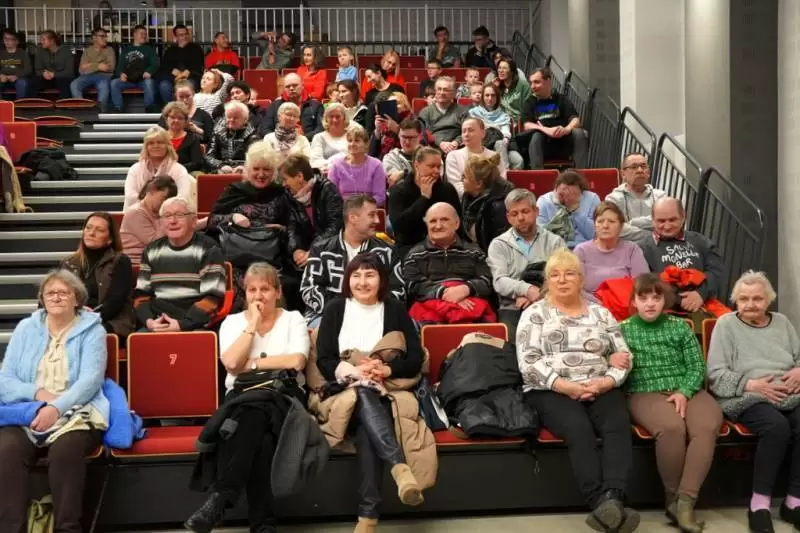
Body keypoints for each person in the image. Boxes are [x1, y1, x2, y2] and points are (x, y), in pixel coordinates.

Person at [517, 249, 639, 533]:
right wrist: (565, 386)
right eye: (555, 275)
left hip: (599, 385)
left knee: (617, 424)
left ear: (581, 279)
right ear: (547, 281)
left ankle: (613, 496)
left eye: (569, 273)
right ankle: (599, 501)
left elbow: (624, 356)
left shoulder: (600, 312)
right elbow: (528, 362)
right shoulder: (534, 314)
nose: (562, 280)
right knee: (578, 426)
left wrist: (606, 381)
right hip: (550, 389)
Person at [184, 262, 310, 533]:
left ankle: (222, 497)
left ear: (278, 292)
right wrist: (252, 324)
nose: (258, 296)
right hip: (242, 397)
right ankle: (263, 525)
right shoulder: (233, 323)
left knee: (254, 411)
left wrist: (251, 364)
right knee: (261, 439)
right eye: (252, 290)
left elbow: (297, 361)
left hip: (283, 395)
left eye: (265, 289)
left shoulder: (293, 319)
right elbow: (231, 363)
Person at [314, 253, 428, 531]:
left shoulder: (394, 308)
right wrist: (356, 372)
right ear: (347, 280)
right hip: (343, 392)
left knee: (368, 430)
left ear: (382, 280)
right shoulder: (335, 308)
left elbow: (415, 358)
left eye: (370, 275)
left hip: (385, 391)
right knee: (363, 393)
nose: (362, 282)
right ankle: (399, 468)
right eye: (356, 275)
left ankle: (367, 519)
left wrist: (387, 369)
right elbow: (324, 360)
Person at [0, 269, 109, 533]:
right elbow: (5, 379)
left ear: (77, 299)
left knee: (65, 452)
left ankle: (67, 528)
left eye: (63, 292)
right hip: (28, 410)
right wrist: (38, 395)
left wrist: (56, 408)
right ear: (42, 299)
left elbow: (90, 381)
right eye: (50, 293)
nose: (56, 297)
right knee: (6, 449)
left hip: (77, 410)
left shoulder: (93, 330)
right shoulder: (26, 328)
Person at [621, 273, 722, 533]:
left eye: (656, 298)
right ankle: (672, 498)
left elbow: (697, 365)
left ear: (664, 301)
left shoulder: (679, 327)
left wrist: (684, 392)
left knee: (707, 426)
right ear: (634, 301)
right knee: (672, 427)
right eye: (643, 298)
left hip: (686, 388)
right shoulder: (622, 330)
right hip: (645, 392)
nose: (650, 304)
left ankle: (685, 502)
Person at [706, 271, 800, 532]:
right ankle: (759, 504)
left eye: (757, 298)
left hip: (790, 391)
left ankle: (794, 502)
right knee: (776, 428)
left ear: (768, 300)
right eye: (743, 299)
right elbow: (715, 374)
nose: (750, 304)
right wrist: (752, 385)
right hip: (747, 395)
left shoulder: (782, 322)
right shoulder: (726, 324)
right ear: (735, 300)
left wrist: (799, 371)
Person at [209, 141, 307, 308]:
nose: (261, 174)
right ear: (248, 170)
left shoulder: (281, 193)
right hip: (237, 260)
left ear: (273, 171)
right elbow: (212, 221)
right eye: (256, 169)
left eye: (266, 169)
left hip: (273, 259)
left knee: (286, 284)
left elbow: (294, 226)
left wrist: (282, 230)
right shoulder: (234, 191)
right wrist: (233, 217)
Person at [301, 194, 403, 328]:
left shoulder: (387, 251)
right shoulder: (320, 250)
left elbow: (398, 290)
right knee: (325, 329)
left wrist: (368, 310)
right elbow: (309, 288)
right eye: (371, 215)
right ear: (353, 218)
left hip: (375, 316)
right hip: (327, 316)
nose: (377, 220)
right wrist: (344, 310)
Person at [135, 196, 226, 332]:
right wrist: (149, 321)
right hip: (158, 322)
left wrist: (183, 324)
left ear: (193, 221)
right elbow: (141, 295)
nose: (173, 221)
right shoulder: (151, 250)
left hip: (195, 324)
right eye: (167, 216)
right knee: (138, 341)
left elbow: (213, 298)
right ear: (161, 222)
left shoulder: (208, 248)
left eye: (179, 215)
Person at [487, 188, 565, 340]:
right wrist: (527, 289)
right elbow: (499, 281)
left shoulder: (554, 242)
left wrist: (537, 295)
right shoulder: (499, 244)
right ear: (508, 217)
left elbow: (562, 275)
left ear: (536, 211)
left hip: (550, 302)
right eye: (514, 214)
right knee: (512, 342)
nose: (520, 218)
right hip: (512, 307)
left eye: (525, 211)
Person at [403, 202, 493, 319]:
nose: (438, 226)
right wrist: (445, 294)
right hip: (429, 314)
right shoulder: (415, 254)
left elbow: (487, 281)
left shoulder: (475, 252)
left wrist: (466, 289)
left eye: (444, 220)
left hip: (470, 308)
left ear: (457, 224)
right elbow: (413, 286)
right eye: (432, 221)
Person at [640, 197, 725, 314]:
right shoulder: (642, 248)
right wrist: (680, 300)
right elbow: (644, 283)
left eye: (672, 220)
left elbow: (716, 271)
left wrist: (701, 294)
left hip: (705, 305)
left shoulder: (701, 242)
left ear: (683, 216)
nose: (667, 226)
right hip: (662, 310)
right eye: (661, 221)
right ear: (653, 220)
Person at [61, 212, 135, 338]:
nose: (91, 233)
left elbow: (115, 302)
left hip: (110, 320)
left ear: (110, 239)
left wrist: (89, 319)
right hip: (74, 318)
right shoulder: (69, 263)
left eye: (99, 230)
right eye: (88, 228)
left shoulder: (121, 261)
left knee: (87, 333)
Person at [388, 147, 461, 259]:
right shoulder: (399, 191)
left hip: (445, 246)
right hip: (410, 247)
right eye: (431, 166)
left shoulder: (447, 189)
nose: (436, 171)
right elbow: (400, 227)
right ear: (416, 165)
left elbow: (457, 222)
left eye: (439, 167)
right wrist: (424, 198)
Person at [520, 67, 588, 169]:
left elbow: (575, 120)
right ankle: (538, 175)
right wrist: (546, 130)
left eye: (537, 82)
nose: (533, 86)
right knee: (536, 136)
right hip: (543, 146)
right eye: (531, 83)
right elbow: (527, 125)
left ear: (548, 81)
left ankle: (580, 174)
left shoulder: (561, 99)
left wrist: (566, 129)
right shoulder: (529, 102)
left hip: (563, 143)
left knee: (579, 133)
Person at [574, 202, 649, 294]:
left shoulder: (632, 250)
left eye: (611, 221)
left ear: (621, 226)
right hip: (589, 301)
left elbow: (643, 285)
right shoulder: (581, 251)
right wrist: (596, 301)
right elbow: (575, 288)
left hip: (624, 300)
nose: (605, 226)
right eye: (600, 221)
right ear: (594, 226)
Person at [123, 126, 195, 211]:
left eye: (160, 142)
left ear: (168, 146)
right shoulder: (135, 169)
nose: (156, 146)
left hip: (170, 214)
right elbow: (130, 197)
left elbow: (183, 197)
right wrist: (151, 206)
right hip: (139, 213)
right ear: (146, 147)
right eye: (151, 143)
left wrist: (159, 208)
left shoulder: (179, 170)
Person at [280, 153, 344, 247]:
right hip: (306, 250)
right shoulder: (289, 196)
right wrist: (296, 249)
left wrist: (313, 250)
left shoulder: (327, 189)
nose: (283, 184)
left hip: (328, 248)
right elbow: (293, 228)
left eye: (285, 179)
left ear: (299, 176)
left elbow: (335, 226)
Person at [605, 153, 667, 242]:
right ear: (623, 174)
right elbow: (616, 228)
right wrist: (652, 235)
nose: (640, 170)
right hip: (626, 247)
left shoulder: (660, 196)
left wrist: (632, 223)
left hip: (657, 247)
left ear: (648, 172)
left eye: (643, 166)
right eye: (634, 167)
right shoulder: (613, 199)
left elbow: (666, 222)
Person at [460, 152, 514, 252]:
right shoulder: (467, 196)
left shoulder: (499, 206)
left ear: (478, 184)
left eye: (465, 177)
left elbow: (498, 246)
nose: (462, 180)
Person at [445, 117, 507, 198]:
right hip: (465, 200)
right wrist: (476, 197)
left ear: (483, 133)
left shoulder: (494, 156)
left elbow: (501, 182)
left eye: (471, 130)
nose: (466, 134)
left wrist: (487, 197)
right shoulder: (453, 156)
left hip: (492, 200)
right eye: (463, 131)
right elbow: (456, 185)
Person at [120, 175, 177, 263]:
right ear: (152, 191)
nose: (165, 203)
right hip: (136, 262)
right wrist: (167, 217)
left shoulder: (157, 212)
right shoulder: (136, 212)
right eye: (164, 198)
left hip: (155, 259)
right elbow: (155, 243)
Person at [536, 170, 599, 249]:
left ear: (581, 191)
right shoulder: (544, 201)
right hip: (554, 248)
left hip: (584, 247)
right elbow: (539, 236)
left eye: (572, 194)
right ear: (555, 188)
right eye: (562, 194)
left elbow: (594, 234)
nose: (567, 198)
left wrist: (576, 212)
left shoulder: (592, 199)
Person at [470, 83, 523, 170]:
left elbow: (506, 133)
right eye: (487, 95)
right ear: (483, 97)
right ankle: (504, 174)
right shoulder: (474, 113)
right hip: (483, 146)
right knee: (499, 143)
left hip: (502, 145)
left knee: (518, 160)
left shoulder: (503, 115)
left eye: (493, 95)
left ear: (497, 98)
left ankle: (506, 174)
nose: (490, 98)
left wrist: (505, 140)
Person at [328, 128, 387, 207]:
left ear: (366, 144)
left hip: (368, 210)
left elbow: (380, 197)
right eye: (350, 141)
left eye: (357, 141)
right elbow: (330, 195)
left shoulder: (376, 165)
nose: (352, 144)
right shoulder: (336, 164)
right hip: (342, 209)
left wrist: (361, 207)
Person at [260, 73, 324, 141]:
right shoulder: (275, 106)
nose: (291, 88)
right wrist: (282, 140)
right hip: (280, 143)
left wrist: (303, 139)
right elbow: (265, 129)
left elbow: (321, 129)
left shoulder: (316, 105)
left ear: (302, 85)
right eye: (287, 86)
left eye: (295, 85)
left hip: (309, 143)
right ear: (284, 89)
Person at [110, 25, 159, 112]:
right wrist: (121, 74)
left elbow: (155, 64)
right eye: (141, 33)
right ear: (134, 34)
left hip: (143, 80)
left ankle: (149, 108)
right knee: (114, 83)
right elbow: (119, 66)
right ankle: (118, 108)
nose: (144, 36)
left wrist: (149, 71)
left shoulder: (149, 49)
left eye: (145, 34)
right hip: (128, 80)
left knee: (149, 82)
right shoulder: (126, 50)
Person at [418, 76, 468, 155]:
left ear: (453, 93)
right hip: (432, 150)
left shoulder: (462, 110)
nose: (441, 92)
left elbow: (468, 131)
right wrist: (440, 143)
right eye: (439, 89)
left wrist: (456, 143)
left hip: (458, 149)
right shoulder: (426, 112)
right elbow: (425, 133)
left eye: (446, 90)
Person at [205, 101, 259, 174]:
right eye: (229, 117)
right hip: (221, 171)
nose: (231, 120)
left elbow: (257, 159)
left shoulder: (253, 136)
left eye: (235, 118)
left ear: (245, 120)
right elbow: (208, 156)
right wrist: (221, 166)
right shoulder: (217, 132)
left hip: (245, 172)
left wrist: (244, 166)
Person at [70, 27, 115, 111]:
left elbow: (110, 68)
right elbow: (81, 70)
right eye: (102, 36)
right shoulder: (87, 51)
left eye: (106, 36)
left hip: (104, 76)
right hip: (88, 76)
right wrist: (98, 65)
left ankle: (101, 111)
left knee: (103, 85)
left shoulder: (109, 50)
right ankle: (81, 109)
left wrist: (90, 64)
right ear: (94, 38)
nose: (105, 38)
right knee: (74, 84)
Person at [158, 24, 204, 104]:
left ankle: (186, 108)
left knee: (189, 85)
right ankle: (171, 107)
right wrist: (172, 70)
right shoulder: (170, 50)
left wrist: (189, 71)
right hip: (173, 78)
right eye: (181, 35)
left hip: (191, 76)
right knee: (164, 85)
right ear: (175, 37)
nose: (184, 37)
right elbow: (164, 65)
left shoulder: (196, 48)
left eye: (186, 34)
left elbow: (199, 64)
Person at [161, 80, 214, 144]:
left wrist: (196, 129)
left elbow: (212, 139)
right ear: (176, 96)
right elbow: (159, 135)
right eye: (181, 97)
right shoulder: (168, 114)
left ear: (193, 94)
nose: (184, 100)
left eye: (188, 96)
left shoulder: (204, 115)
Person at [368, 92, 415, 158]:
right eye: (391, 104)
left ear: (405, 106)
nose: (395, 106)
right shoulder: (384, 123)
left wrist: (397, 130)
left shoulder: (412, 121)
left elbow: (414, 147)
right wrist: (377, 130)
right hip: (382, 160)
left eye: (398, 103)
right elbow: (371, 154)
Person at [29, 30, 73, 99]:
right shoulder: (40, 51)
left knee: (65, 82)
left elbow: (69, 72)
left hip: (62, 77)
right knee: (33, 82)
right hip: (46, 78)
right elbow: (38, 69)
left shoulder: (66, 51)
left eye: (43, 40)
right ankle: (32, 103)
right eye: (41, 40)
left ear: (52, 41)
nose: (41, 42)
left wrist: (54, 74)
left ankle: (63, 104)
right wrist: (43, 73)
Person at [310, 103, 353, 174]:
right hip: (327, 175)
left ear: (344, 118)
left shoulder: (353, 135)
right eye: (331, 116)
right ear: (326, 119)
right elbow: (315, 161)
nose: (334, 120)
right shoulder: (319, 137)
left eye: (338, 116)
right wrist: (335, 165)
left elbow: (358, 157)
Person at [161, 102, 203, 173]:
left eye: (180, 118)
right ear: (166, 118)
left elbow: (197, 163)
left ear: (185, 121)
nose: (176, 120)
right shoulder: (160, 137)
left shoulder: (193, 138)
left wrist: (175, 169)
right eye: (172, 117)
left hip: (186, 173)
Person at [382, 117, 423, 182]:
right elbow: (395, 181)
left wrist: (402, 174)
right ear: (399, 136)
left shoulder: (430, 156)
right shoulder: (390, 158)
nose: (407, 142)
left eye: (411, 137)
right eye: (404, 137)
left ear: (420, 136)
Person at [0, 29, 31, 100]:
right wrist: (1, 75)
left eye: (10, 39)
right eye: (5, 38)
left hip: (18, 79)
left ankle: (20, 104)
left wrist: (17, 76)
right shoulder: (1, 53)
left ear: (16, 41)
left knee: (22, 82)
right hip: (3, 78)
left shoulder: (23, 53)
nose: (6, 41)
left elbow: (28, 70)